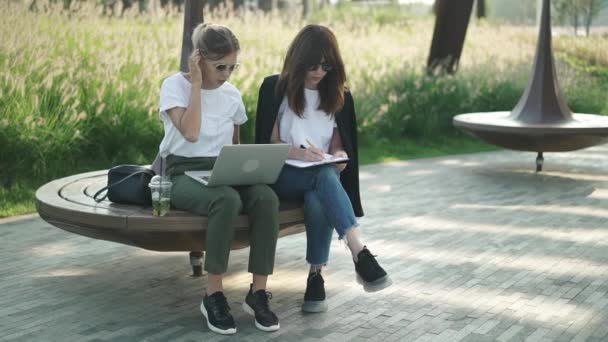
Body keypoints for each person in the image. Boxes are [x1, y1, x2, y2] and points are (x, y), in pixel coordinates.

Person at [255, 24, 391, 313]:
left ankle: (315, 276)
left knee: (320, 192)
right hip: (283, 174)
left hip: (320, 176)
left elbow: (339, 147)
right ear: (298, 61)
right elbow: (269, 143)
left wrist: (339, 157)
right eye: (312, 65)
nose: (319, 72)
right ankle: (360, 253)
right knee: (322, 175)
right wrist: (298, 153)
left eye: (326, 65)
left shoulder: (340, 95)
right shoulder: (274, 88)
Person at [158, 23, 280, 335]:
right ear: (198, 60)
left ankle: (258, 293)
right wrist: (197, 85)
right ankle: (213, 294)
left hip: (222, 168)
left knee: (266, 197)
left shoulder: (232, 95)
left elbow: (234, 144)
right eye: (219, 66)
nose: (226, 74)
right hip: (181, 171)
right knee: (225, 199)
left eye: (232, 66)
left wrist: (243, 171)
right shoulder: (174, 86)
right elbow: (191, 132)